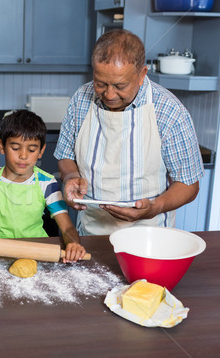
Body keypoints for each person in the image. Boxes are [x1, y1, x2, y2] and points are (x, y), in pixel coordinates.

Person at [54, 29, 204, 235]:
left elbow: (188, 184)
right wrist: (71, 176)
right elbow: (65, 155)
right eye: (100, 83)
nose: (109, 94)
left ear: (142, 75)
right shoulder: (81, 99)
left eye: (120, 85)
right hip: (90, 233)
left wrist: (154, 208)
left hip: (149, 235)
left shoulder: (169, 111)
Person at [0, 110, 87, 263]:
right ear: (2, 146)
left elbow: (66, 227)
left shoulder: (47, 183)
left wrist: (73, 244)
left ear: (41, 151)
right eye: (15, 148)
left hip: (36, 251)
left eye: (31, 149)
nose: (23, 156)